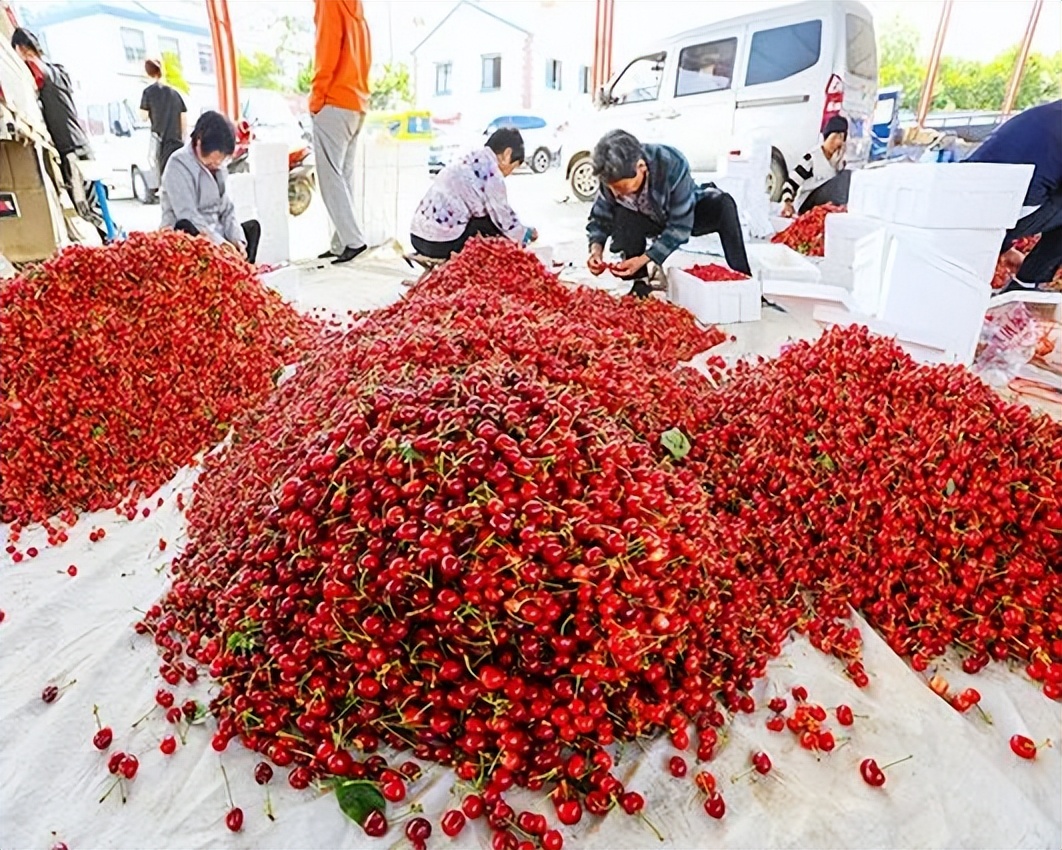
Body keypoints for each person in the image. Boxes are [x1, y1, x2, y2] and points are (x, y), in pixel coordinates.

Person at [586, 129, 750, 297]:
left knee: (724, 205)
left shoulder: (671, 162)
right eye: (613, 189)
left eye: (624, 188)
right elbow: (599, 218)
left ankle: (743, 280)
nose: (618, 195)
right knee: (622, 214)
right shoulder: (610, 174)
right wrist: (595, 251)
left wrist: (646, 257)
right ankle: (640, 282)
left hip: (685, 214)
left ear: (641, 167)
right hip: (645, 219)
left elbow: (680, 226)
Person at [966, 99, 1062, 293]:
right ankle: (1027, 284)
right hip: (996, 213)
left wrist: (1005, 247)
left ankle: (1001, 250)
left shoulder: (1049, 112)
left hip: (959, 194)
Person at [410, 127, 536, 259]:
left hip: (417, 237)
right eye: (514, 166)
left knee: (484, 217)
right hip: (440, 244)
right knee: (492, 226)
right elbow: (503, 217)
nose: (509, 173)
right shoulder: (491, 173)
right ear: (507, 154)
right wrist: (525, 234)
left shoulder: (469, 158)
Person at [310, 0, 372, 265]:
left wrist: (316, 99)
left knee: (329, 179)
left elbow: (326, 53)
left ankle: (354, 241)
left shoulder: (328, 3)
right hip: (356, 103)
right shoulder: (357, 9)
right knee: (344, 179)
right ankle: (341, 242)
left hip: (334, 101)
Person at [10, 28, 96, 215]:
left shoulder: (37, 69)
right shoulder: (60, 70)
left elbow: (30, 72)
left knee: (84, 211)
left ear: (21, 49)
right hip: (81, 144)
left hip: (70, 151)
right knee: (94, 205)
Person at [160, 111, 260, 262]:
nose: (217, 165)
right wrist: (221, 244)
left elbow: (227, 210)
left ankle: (240, 273)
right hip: (192, 235)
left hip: (217, 233)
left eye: (220, 161)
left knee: (253, 228)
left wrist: (237, 240)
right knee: (185, 227)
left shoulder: (219, 167)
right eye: (212, 162)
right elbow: (188, 215)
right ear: (199, 141)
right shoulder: (178, 164)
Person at [780, 115, 851, 217]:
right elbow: (790, 183)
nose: (837, 142)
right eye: (834, 137)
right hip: (807, 204)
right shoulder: (812, 158)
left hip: (825, 204)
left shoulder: (838, 161)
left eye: (841, 138)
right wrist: (787, 203)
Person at [140, 58, 187, 194]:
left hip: (160, 141)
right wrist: (183, 138)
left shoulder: (148, 92)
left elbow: (142, 116)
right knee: (180, 176)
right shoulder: (175, 93)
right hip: (177, 141)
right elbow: (183, 118)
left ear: (148, 73)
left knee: (165, 179)